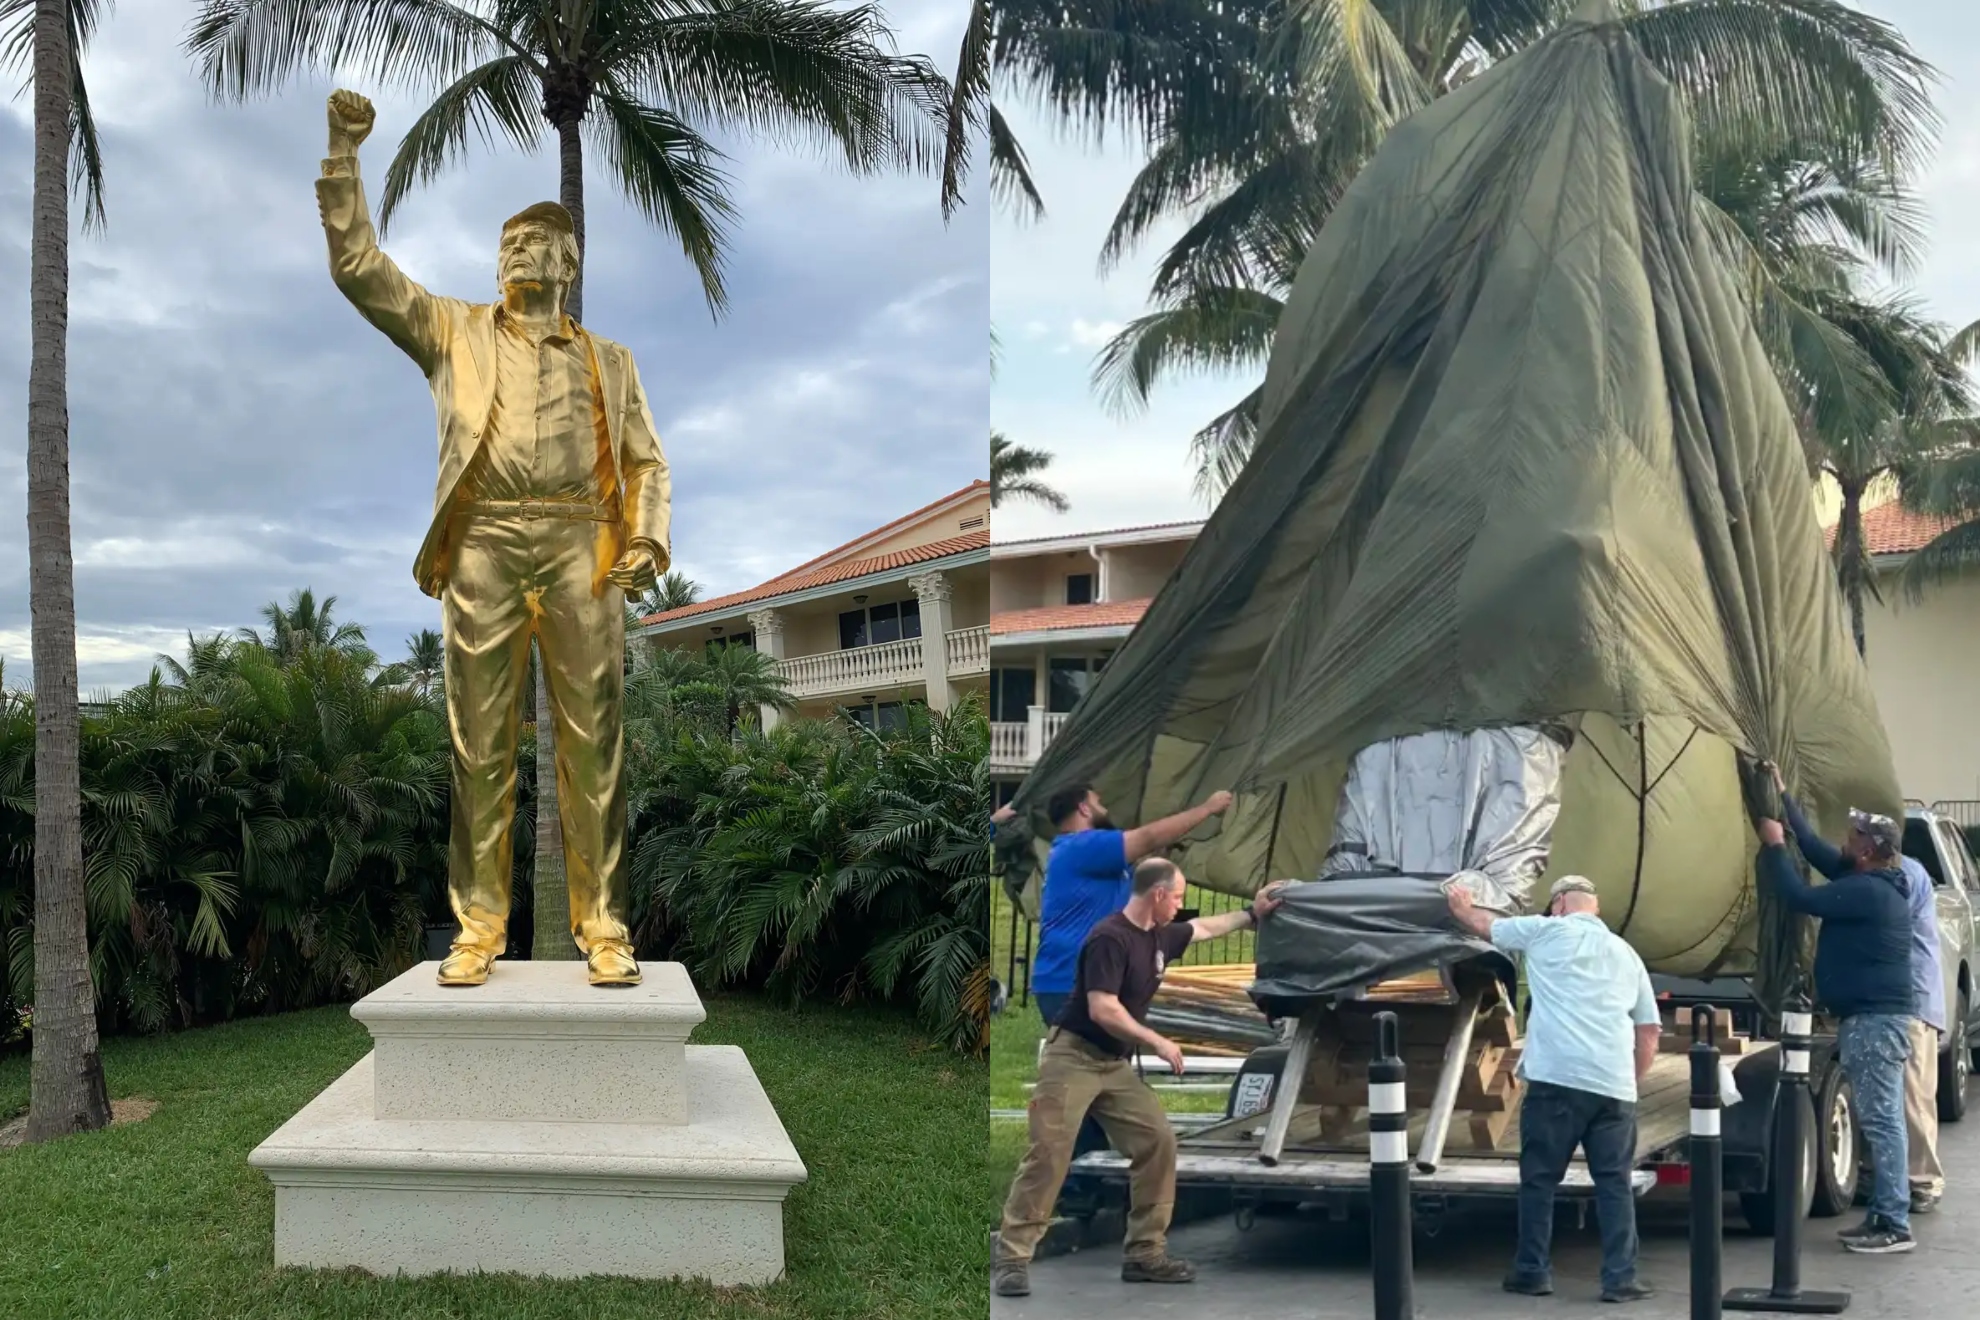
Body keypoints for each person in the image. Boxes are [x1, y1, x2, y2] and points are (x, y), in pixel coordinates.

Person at [318, 90, 668, 988]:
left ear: (568, 261)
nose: (518, 253)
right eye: (509, 243)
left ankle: (604, 927)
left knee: (595, 744)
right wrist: (343, 156)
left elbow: (645, 463)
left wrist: (646, 539)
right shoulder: (453, 331)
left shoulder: (611, 360)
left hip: (583, 545)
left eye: (536, 243)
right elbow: (360, 268)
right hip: (483, 543)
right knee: (478, 743)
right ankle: (478, 926)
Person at [993, 860, 1285, 1298]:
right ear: (1158, 895)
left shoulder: (1159, 936)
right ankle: (1013, 1258)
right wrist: (1158, 1042)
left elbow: (1204, 929)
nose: (1184, 905)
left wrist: (1252, 913)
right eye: (1180, 897)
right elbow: (1102, 1008)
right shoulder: (1110, 938)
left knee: (1157, 1141)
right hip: (1073, 1057)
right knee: (1049, 1154)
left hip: (1113, 1066)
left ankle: (1145, 1252)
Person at [1446, 874, 1660, 1304]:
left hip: (1556, 1080)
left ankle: (1532, 1271)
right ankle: (1620, 1279)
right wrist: (1627, 1081)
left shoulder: (1545, 931)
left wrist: (1460, 903)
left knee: (1540, 1180)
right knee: (1614, 1183)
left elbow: (1484, 926)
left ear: (1560, 904)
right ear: (1593, 909)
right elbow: (1649, 1031)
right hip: (1613, 1085)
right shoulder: (1627, 954)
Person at [1758, 777, 1917, 1254]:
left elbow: (1800, 897)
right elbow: (1814, 848)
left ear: (1869, 851)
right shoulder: (1868, 881)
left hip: (1874, 1022)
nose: (1845, 843)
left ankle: (1892, 1222)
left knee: (1882, 1120)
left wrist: (1772, 847)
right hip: (1872, 1020)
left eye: (1853, 838)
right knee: (1881, 1118)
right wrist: (1784, 799)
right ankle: (1885, 1215)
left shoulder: (1868, 893)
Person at [1030, 785, 1234, 1029]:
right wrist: (1207, 808)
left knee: (1100, 1061)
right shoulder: (1082, 846)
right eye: (1098, 802)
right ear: (1084, 808)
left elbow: (1139, 886)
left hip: (1083, 978)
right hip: (1071, 981)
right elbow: (1148, 838)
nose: (1105, 808)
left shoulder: (1091, 858)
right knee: (1086, 1061)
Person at [1896, 846, 1947, 1214]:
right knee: (1903, 1094)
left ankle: (1922, 1180)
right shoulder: (1906, 871)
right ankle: (1906, 1175)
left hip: (1913, 1002)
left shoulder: (1905, 876)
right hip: (1909, 1000)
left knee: (1913, 1095)